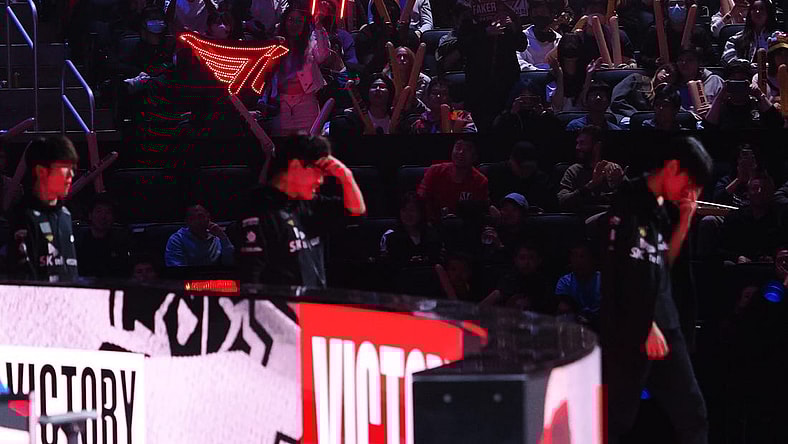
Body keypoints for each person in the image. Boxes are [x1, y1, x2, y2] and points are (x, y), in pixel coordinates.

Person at [600, 135, 712, 444]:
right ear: (673, 168)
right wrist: (644, 323)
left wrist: (686, 220)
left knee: (694, 414)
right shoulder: (628, 198)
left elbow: (664, 265)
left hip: (668, 323)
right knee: (614, 420)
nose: (690, 193)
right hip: (632, 326)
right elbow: (619, 270)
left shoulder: (668, 210)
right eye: (689, 183)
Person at [239, 135, 365, 287]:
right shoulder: (259, 208)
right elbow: (252, 279)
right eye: (318, 172)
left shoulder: (310, 203)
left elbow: (356, 211)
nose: (321, 181)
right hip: (280, 308)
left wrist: (346, 176)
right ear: (296, 166)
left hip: (315, 305)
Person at [5, 136, 79, 282]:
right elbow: (21, 280)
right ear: (41, 172)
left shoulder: (65, 215)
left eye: (73, 168)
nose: (71, 175)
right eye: (66, 167)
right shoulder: (24, 217)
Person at [257, 4, 332, 136]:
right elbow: (266, 76)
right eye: (291, 20)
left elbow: (323, 55)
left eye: (299, 21)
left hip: (307, 104)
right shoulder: (276, 45)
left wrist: (319, 27)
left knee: (308, 148)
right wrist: (263, 101)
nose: (295, 24)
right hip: (282, 105)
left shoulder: (310, 43)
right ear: (284, 22)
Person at [457, 0, 527, 131]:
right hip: (479, 81)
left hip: (507, 79)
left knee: (507, 125)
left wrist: (512, 27)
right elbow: (462, 46)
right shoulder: (468, 9)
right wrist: (485, 33)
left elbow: (522, 45)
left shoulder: (508, 10)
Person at [417, 138, 489, 223]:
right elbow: (419, 200)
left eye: (467, 150)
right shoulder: (434, 171)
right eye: (458, 147)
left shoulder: (480, 181)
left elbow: (479, 214)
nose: (461, 152)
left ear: (475, 157)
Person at [719, 171, 783, 264]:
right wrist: (737, 257)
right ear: (747, 193)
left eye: (764, 189)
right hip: (739, 268)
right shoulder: (735, 217)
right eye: (755, 188)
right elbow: (720, 248)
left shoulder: (780, 219)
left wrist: (774, 257)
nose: (759, 192)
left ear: (772, 193)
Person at [557, 125, 625, 212]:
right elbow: (561, 201)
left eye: (582, 143)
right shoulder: (574, 171)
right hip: (584, 218)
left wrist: (621, 184)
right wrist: (591, 185)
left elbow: (630, 202)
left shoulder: (612, 169)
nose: (577, 147)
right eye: (577, 143)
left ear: (597, 146)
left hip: (610, 217)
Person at [482, 239, 556, 315]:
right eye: (522, 258)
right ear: (515, 260)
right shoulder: (508, 279)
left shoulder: (544, 285)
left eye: (531, 258)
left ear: (539, 261)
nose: (527, 262)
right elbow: (488, 302)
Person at [704, 59, 784, 129]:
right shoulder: (720, 108)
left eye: (742, 81)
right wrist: (720, 95)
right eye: (734, 81)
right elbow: (708, 127)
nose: (738, 86)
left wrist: (760, 95)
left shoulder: (758, 106)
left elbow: (777, 123)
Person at [640, 0, 716, 72]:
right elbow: (642, 57)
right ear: (666, 9)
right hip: (663, 76)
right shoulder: (655, 31)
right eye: (672, 4)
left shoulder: (698, 33)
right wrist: (654, 62)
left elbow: (711, 58)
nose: (676, 7)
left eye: (681, 3)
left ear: (687, 7)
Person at [486, 141, 558, 212]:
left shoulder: (542, 180)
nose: (526, 171)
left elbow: (553, 208)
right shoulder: (495, 173)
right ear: (511, 161)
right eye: (522, 167)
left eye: (530, 167)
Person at [379, 192, 443, 266]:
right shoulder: (391, 236)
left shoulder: (431, 233)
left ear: (421, 212)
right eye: (404, 210)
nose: (408, 214)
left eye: (412, 210)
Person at [75, 193, 130, 278]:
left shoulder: (121, 244)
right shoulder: (79, 244)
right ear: (90, 215)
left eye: (108, 212)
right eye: (99, 211)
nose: (103, 217)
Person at [165, 204, 235, 267]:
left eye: (200, 216)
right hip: (190, 279)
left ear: (208, 217)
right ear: (187, 222)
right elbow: (176, 268)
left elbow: (230, 263)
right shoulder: (177, 240)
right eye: (192, 218)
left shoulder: (216, 236)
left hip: (215, 278)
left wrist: (223, 237)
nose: (197, 221)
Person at [611, 63, 679, 126]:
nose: (667, 75)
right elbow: (617, 100)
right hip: (624, 117)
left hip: (650, 123)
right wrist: (637, 116)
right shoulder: (636, 79)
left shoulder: (666, 94)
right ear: (659, 70)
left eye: (671, 76)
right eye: (666, 71)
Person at [555, 238, 602, 330]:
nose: (578, 261)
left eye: (582, 256)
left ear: (592, 259)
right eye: (574, 256)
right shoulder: (565, 282)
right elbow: (564, 309)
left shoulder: (603, 280)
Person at [578, 0, 636, 66]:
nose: (597, 9)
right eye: (593, 8)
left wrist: (629, 66)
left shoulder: (619, 36)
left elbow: (630, 62)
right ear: (584, 11)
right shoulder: (577, 39)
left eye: (601, 10)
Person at [721, 0, 778, 67]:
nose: (757, 12)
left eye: (762, 9)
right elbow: (728, 58)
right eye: (754, 9)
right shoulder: (736, 39)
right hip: (744, 74)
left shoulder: (777, 38)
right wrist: (748, 65)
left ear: (769, 13)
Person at [410, 77, 476, 133]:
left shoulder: (462, 116)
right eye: (434, 93)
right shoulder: (423, 120)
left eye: (444, 94)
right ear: (427, 97)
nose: (438, 96)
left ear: (450, 98)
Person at [548, 33, 593, 112]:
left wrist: (588, 77)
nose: (570, 47)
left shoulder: (587, 74)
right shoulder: (552, 75)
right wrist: (560, 76)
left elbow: (583, 104)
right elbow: (557, 105)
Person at [480, 193, 530, 263]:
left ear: (522, 213)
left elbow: (520, 262)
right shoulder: (497, 229)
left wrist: (500, 246)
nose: (509, 214)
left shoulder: (528, 234)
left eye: (514, 210)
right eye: (505, 209)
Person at [675, 47, 723, 112]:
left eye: (690, 60)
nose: (684, 63)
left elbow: (726, 104)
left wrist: (713, 107)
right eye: (680, 60)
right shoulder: (673, 84)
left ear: (699, 63)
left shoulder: (714, 81)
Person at [518, 0, 562, 71]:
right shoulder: (522, 38)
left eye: (543, 12)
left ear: (552, 15)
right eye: (535, 13)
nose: (539, 16)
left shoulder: (559, 40)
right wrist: (541, 73)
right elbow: (520, 63)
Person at [751, 31, 788, 102]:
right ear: (772, 57)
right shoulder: (760, 78)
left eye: (787, 54)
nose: (784, 58)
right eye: (779, 54)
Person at [435, 0, 470, 74]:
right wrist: (464, 45)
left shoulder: (481, 36)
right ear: (455, 19)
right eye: (466, 19)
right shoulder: (446, 40)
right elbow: (444, 66)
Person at [366, 0, 433, 37]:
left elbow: (428, 23)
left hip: (411, 34)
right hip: (383, 33)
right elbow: (371, 21)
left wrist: (418, 33)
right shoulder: (376, 1)